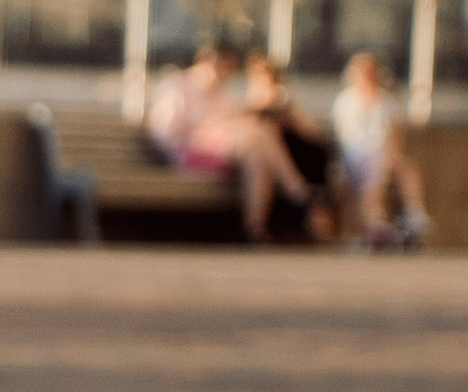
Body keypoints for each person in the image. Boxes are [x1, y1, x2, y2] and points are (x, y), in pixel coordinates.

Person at [144, 38, 310, 242]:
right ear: (203, 60)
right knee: (260, 133)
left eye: (228, 69)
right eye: (221, 66)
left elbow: (230, 123)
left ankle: (254, 228)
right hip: (187, 154)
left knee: (257, 156)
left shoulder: (221, 93)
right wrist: (202, 134)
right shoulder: (177, 88)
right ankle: (295, 188)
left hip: (224, 153)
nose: (224, 73)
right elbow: (164, 134)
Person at [331, 50, 433, 248]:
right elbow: (342, 138)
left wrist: (391, 156)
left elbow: (395, 137)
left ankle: (409, 216)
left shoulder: (386, 101)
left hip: (380, 155)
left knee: (401, 167)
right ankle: (379, 226)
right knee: (372, 176)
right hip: (355, 156)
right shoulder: (345, 101)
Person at [244, 53, 338, 244]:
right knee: (259, 163)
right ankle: (257, 227)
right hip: (276, 163)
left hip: (302, 158)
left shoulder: (284, 100)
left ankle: (297, 197)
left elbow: (312, 135)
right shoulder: (250, 104)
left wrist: (287, 114)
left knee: (315, 192)